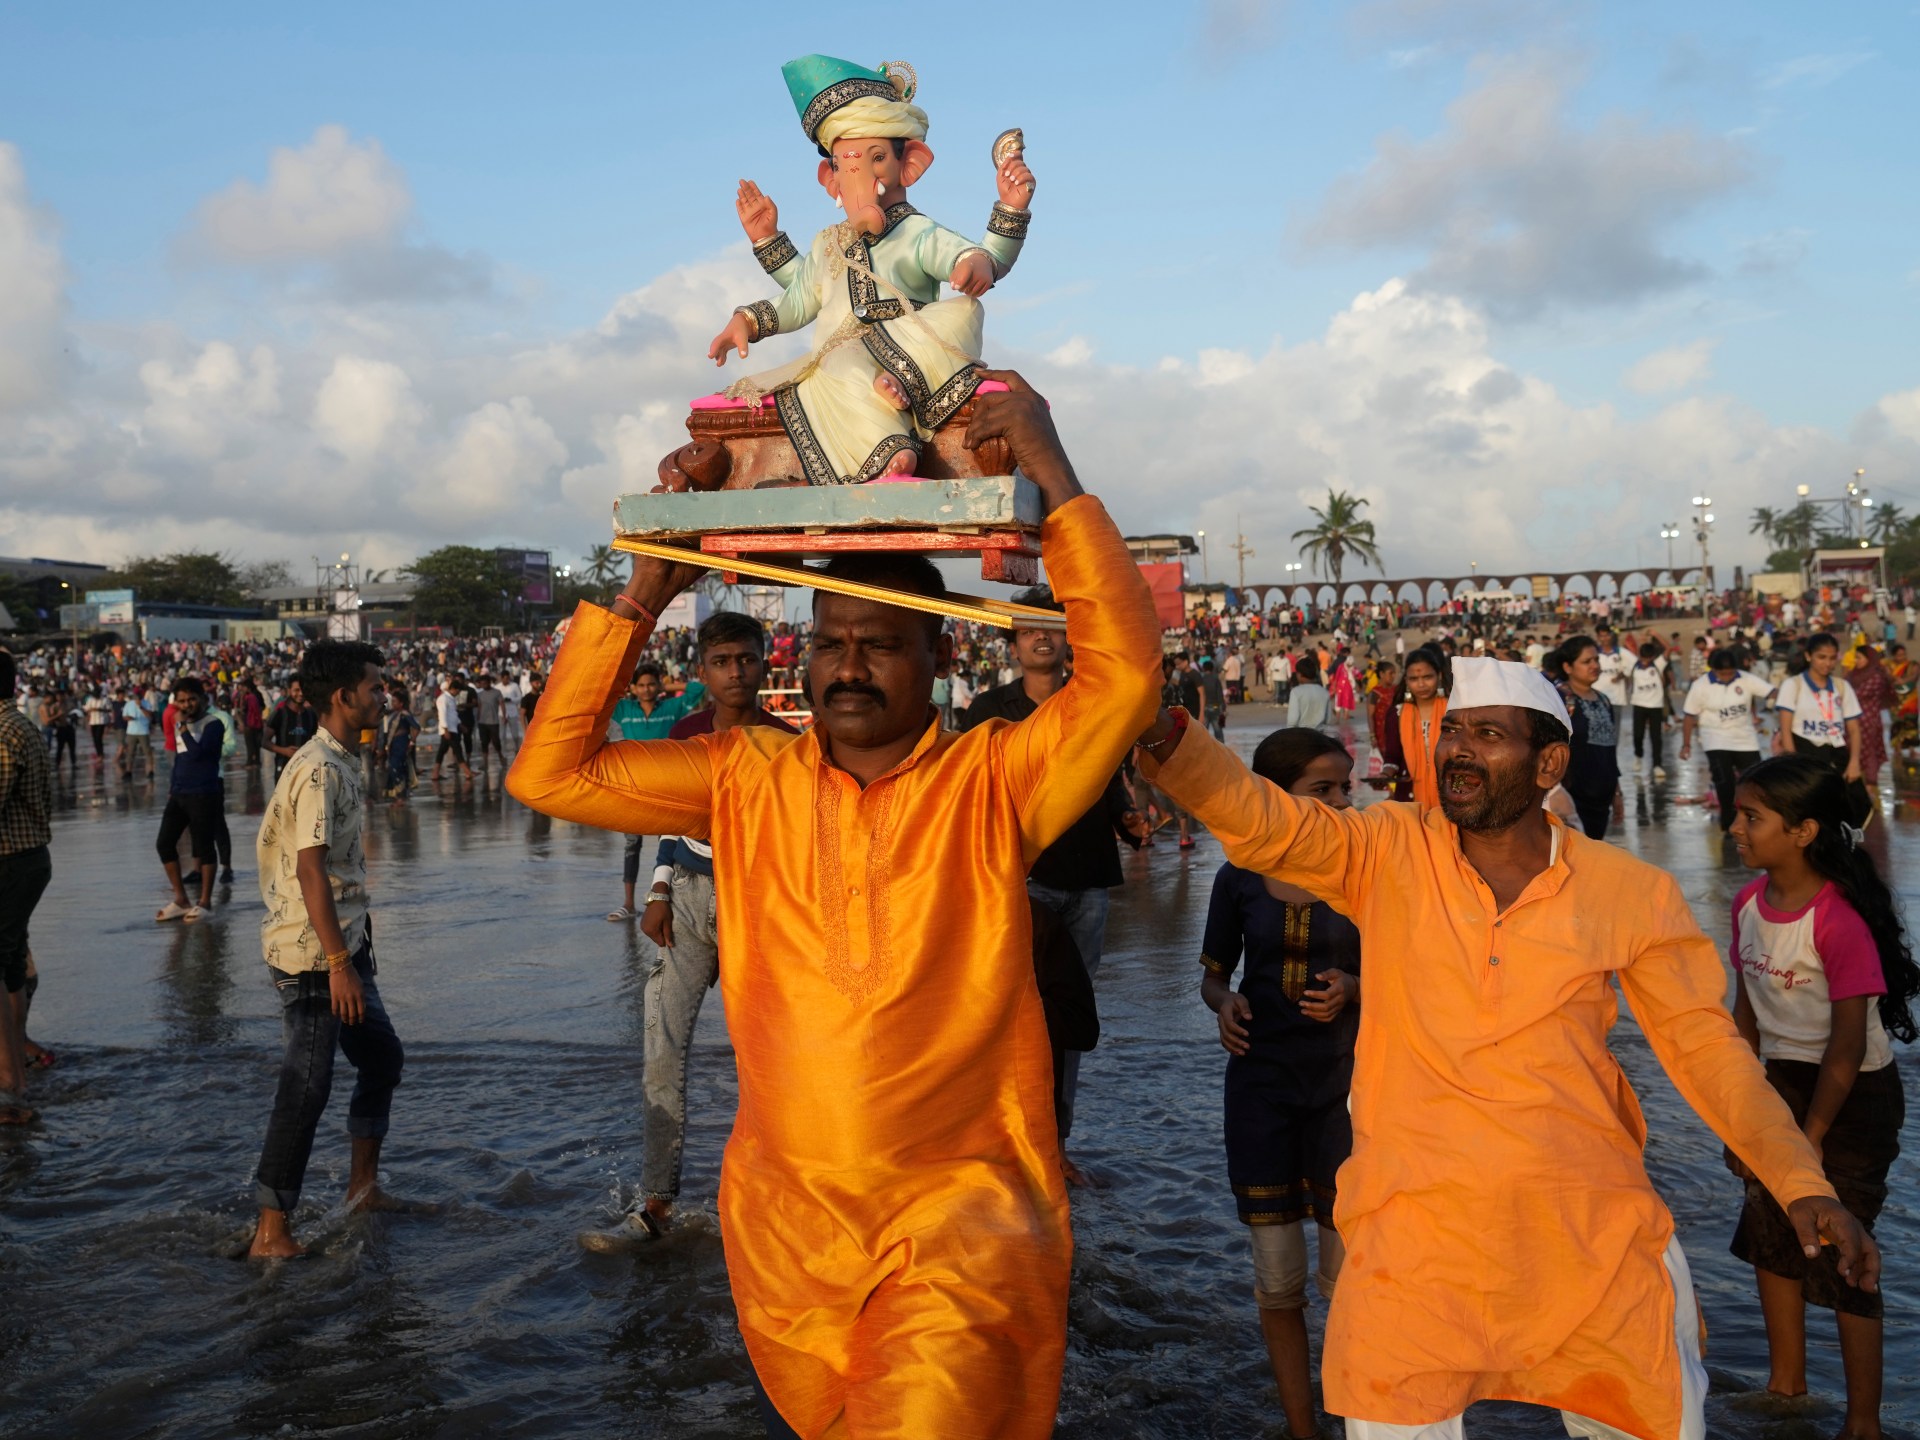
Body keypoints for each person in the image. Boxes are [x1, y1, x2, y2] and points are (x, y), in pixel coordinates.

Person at [508, 370, 1160, 1440]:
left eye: (879, 642)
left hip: (960, 1221)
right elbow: (549, 777)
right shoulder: (742, 776)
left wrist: (1050, 467)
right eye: (828, 642)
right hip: (787, 1231)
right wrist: (644, 592)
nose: (847, 667)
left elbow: (1125, 679)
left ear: (938, 658)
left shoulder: (995, 780)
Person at [1133, 656, 1876, 1439]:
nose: (1458, 749)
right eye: (1452, 730)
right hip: (1413, 1240)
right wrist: (1158, 724)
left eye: (1488, 735)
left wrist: (1801, 1183)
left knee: (1648, 1413)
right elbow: (1260, 819)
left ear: (1549, 762)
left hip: (1585, 1234)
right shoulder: (1385, 848)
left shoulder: (1629, 892)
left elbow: (1708, 1051)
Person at [582, 613, 799, 1251]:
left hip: (758, 902)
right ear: (701, 673)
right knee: (663, 1049)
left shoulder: (786, 743)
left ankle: (774, 1195)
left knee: (767, 1057)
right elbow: (671, 822)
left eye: (748, 660)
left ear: (764, 666)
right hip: (685, 897)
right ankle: (657, 1204)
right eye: (723, 661)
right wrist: (656, 893)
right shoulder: (687, 732)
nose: (737, 671)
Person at [1726, 756, 1916, 1438]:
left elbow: (1843, 1046)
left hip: (1854, 1097)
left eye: (1752, 818)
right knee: (1771, 1234)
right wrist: (1742, 1113)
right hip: (1778, 1083)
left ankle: (1863, 1422)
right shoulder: (1748, 903)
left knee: (1842, 1248)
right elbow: (1744, 1016)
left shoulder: (1837, 919)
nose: (1735, 828)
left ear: (1804, 830)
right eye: (1738, 813)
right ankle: (1787, 1388)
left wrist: (1807, 1137)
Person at [1200, 728, 1361, 1440]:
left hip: (1345, 1087)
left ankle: (1362, 1417)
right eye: (1321, 790)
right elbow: (1213, 974)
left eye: (1344, 788)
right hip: (1260, 1086)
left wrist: (1356, 985)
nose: (1340, 802)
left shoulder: (1365, 867)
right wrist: (1222, 1002)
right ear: (1273, 797)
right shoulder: (1238, 874)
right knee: (1278, 1280)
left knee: (1352, 1282)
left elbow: (1416, 964)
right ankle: (1304, 1427)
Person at [962, 588, 1145, 1186]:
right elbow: (973, 794)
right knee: (1014, 1015)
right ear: (1013, 641)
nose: (1043, 638)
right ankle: (1010, 1142)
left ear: (1069, 639)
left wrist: (1125, 815)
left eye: (1054, 628)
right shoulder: (988, 711)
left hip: (1089, 875)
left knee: (1069, 1018)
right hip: (1020, 880)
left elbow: (1108, 771)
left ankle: (1055, 1145)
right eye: (1030, 629)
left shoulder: (1088, 703)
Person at [248, 639, 415, 1259]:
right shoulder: (319, 768)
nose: (383, 695)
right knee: (307, 1083)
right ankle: (271, 1230)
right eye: (375, 686)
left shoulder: (340, 757)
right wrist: (340, 964)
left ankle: (362, 1188)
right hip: (315, 954)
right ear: (343, 697)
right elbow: (312, 871)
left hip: (345, 944)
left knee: (382, 1059)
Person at [604, 664, 708, 923]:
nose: (647, 689)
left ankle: (666, 898)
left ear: (659, 686)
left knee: (669, 842)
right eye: (641, 685)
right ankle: (628, 903)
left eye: (651, 684)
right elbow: (603, 696)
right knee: (632, 844)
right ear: (633, 689)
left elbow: (698, 688)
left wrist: (667, 687)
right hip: (634, 787)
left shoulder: (670, 708)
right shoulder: (624, 709)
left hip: (667, 786)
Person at [0, 648, 53, 1126]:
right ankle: (15, 1069)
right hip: (30, 857)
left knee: (3, 965)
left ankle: (9, 1081)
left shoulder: (1, 731)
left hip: (9, 859)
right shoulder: (23, 725)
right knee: (12, 963)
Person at [1774, 633, 1867, 826]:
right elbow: (1785, 727)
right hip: (1805, 752)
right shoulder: (1793, 685)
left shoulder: (1842, 687)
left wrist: (1854, 762)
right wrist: (1792, 762)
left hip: (1837, 752)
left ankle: (1844, 850)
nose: (1828, 663)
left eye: (1832, 658)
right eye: (1821, 657)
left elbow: (1854, 729)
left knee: (1857, 806)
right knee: (1809, 811)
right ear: (1809, 656)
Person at [1679, 648, 1772, 832]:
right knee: (1725, 782)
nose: (1727, 676)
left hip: (1745, 739)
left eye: (1730, 673)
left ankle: (1756, 819)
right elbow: (1689, 716)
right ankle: (1728, 824)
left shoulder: (1745, 678)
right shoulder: (1700, 685)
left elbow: (1772, 692)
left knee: (1755, 781)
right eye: (1722, 673)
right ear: (1713, 670)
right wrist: (1686, 744)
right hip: (1715, 739)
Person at [154, 678, 224, 923]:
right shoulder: (179, 724)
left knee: (204, 848)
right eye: (181, 701)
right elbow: (181, 758)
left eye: (191, 699)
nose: (187, 704)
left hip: (204, 792)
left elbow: (199, 754)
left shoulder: (213, 724)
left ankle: (204, 901)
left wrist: (182, 728)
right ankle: (181, 899)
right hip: (180, 792)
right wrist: (173, 787)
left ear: (202, 698)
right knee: (164, 843)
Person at [1546, 636, 1623, 841]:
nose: (1595, 665)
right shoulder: (1560, 699)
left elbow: (1610, 750)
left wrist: (1617, 794)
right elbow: (1546, 748)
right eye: (1587, 661)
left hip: (1602, 798)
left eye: (1596, 660)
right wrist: (1554, 791)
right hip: (1572, 797)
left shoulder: (1604, 700)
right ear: (1568, 667)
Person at [1377, 645, 1447, 806]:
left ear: (1439, 676)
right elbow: (1393, 757)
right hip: (1409, 795)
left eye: (1428, 677)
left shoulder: (1454, 711)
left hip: (1453, 792)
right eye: (1414, 679)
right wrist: (1384, 774)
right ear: (1406, 681)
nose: (1421, 684)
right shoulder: (1397, 713)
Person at [1845, 646, 1893, 796]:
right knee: (1852, 750)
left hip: (1869, 720)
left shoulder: (1876, 677)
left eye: (1859, 657)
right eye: (1856, 657)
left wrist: (1843, 691)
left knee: (1869, 752)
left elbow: (1854, 694)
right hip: (1852, 721)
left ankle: (1870, 788)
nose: (1856, 661)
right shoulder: (1853, 675)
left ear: (1869, 659)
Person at [1627, 637, 1671, 778]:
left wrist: (1655, 634)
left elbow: (1668, 648)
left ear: (1652, 657)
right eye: (1642, 658)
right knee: (1638, 735)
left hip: (1655, 706)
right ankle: (1638, 756)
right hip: (1638, 705)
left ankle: (1657, 765)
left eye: (1647, 659)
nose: (1644, 661)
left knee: (1656, 737)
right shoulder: (1634, 666)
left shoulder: (1658, 664)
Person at [265, 679, 317, 786]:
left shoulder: (311, 715)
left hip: (306, 769)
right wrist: (284, 751)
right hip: (283, 767)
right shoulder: (279, 714)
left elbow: (316, 740)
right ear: (289, 691)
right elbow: (264, 742)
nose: (301, 694)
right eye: (296, 690)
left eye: (303, 690)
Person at [429, 675, 473, 783]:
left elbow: (453, 715)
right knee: (457, 750)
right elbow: (442, 715)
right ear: (454, 689)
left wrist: (460, 725)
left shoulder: (451, 699)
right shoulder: (443, 699)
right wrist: (445, 729)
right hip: (448, 729)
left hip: (453, 728)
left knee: (442, 751)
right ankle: (467, 772)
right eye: (457, 691)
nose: (458, 694)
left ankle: (435, 773)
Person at [381, 686, 419, 799]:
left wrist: (412, 742)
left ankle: (401, 795)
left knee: (397, 768)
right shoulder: (395, 714)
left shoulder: (405, 714)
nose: (392, 703)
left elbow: (416, 728)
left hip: (401, 744)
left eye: (394, 701)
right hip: (394, 744)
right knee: (395, 768)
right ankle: (399, 795)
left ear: (401, 703)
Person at [1284, 655, 1330, 731]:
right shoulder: (1324, 692)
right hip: (1320, 736)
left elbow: (1292, 721)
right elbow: (1328, 719)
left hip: (1302, 736)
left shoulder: (1296, 692)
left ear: (1299, 674)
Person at [472, 673, 506, 774]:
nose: (483, 685)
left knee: (496, 742)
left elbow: (502, 704)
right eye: (481, 684)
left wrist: (504, 716)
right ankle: (485, 763)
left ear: (489, 683)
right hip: (482, 722)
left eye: (485, 683)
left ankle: (500, 757)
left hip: (494, 722)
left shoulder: (497, 692)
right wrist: (478, 719)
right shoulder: (480, 694)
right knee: (484, 743)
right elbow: (479, 707)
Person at [119, 684, 155, 780]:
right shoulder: (128, 704)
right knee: (130, 752)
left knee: (147, 752)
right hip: (131, 732)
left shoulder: (146, 703)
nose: (137, 696)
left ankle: (150, 770)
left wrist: (141, 707)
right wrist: (128, 718)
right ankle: (128, 771)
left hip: (143, 731)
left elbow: (150, 716)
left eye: (139, 694)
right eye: (136, 695)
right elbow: (124, 716)